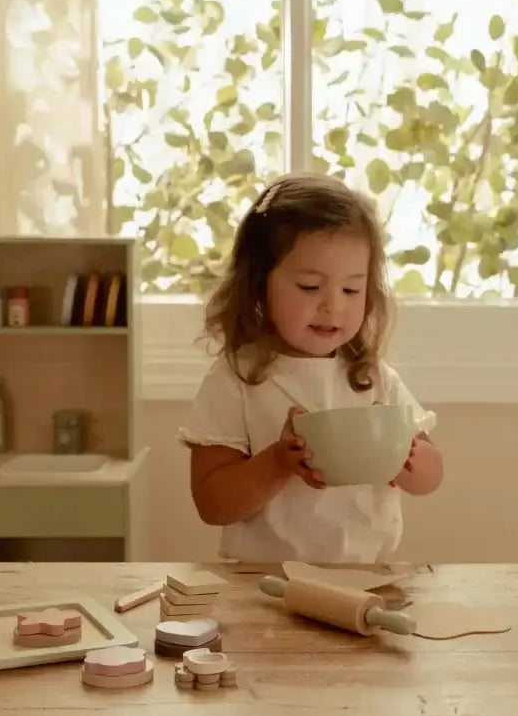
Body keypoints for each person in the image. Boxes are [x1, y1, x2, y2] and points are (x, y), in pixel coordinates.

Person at [178, 172, 443, 563]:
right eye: (309, 286)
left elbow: (431, 476)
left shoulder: (372, 377)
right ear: (258, 286)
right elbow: (212, 504)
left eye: (351, 289)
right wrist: (278, 462)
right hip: (262, 584)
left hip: (367, 579)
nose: (333, 305)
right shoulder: (237, 378)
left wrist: (408, 456)